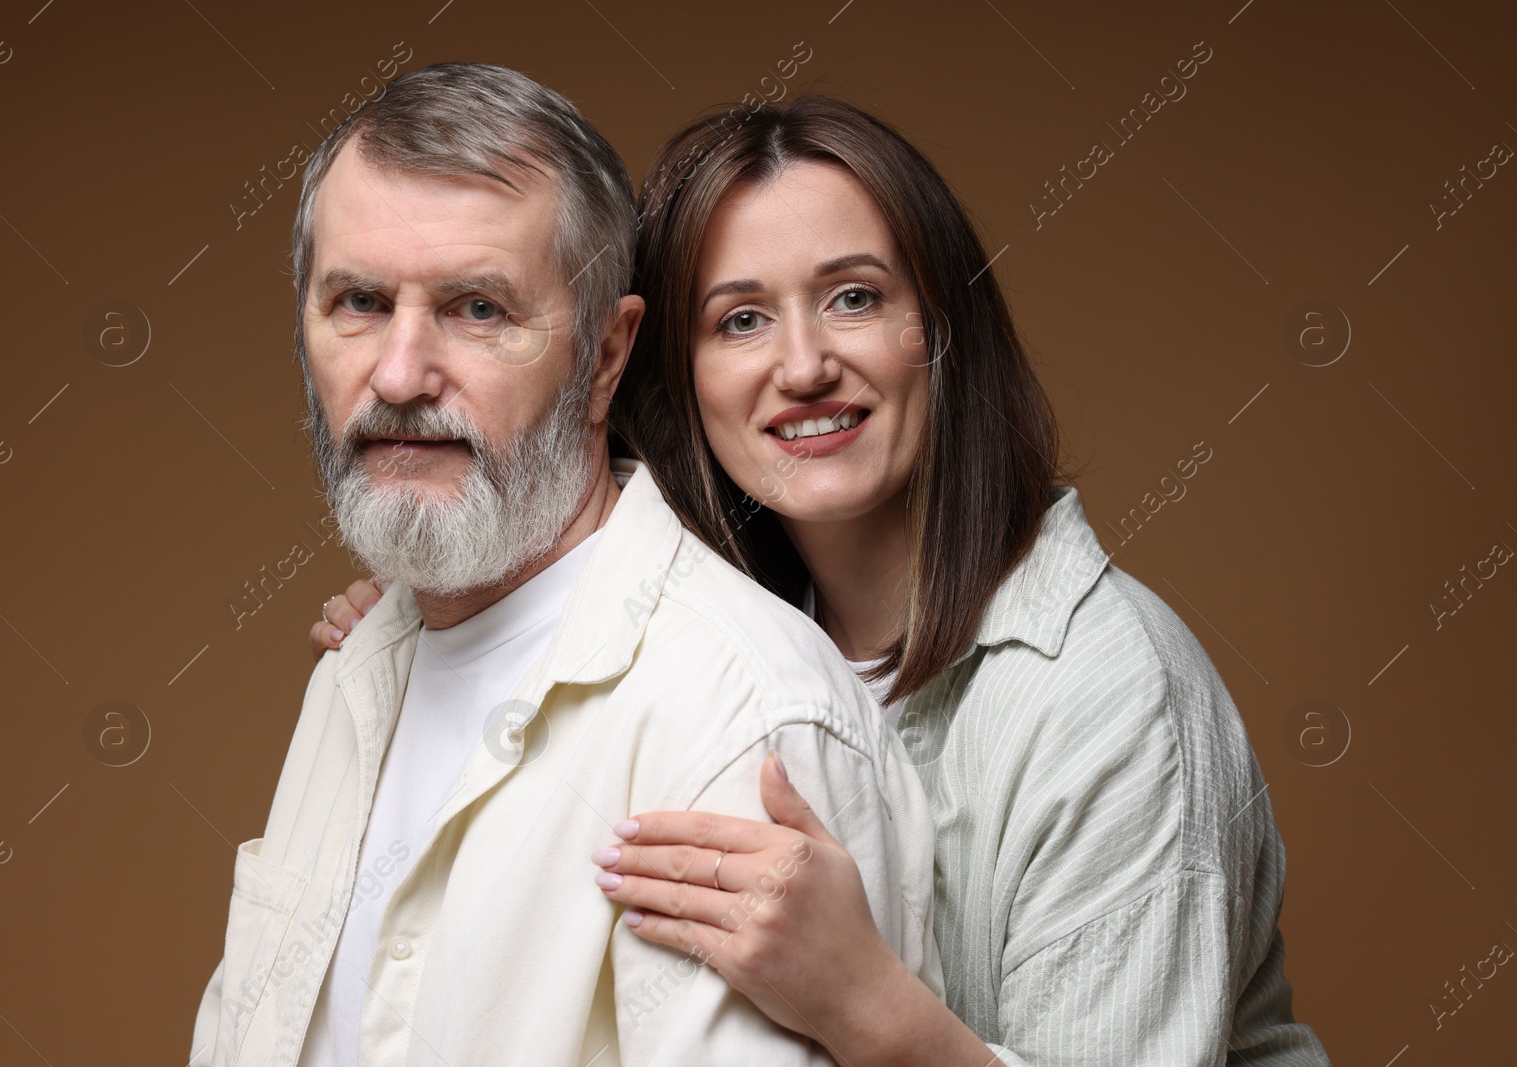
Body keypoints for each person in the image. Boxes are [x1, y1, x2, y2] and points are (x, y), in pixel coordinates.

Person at [318, 95, 1330, 1065]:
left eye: (854, 297)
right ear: (665, 370)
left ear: (939, 332)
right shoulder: (716, 642)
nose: (802, 366)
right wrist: (453, 620)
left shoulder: (1107, 692)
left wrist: (864, 1002)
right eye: (739, 320)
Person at [196, 64, 940, 1067]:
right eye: (360, 302)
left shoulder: (732, 716)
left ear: (603, 355)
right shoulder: (353, 671)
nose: (402, 374)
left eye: (477, 309)